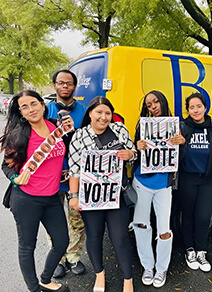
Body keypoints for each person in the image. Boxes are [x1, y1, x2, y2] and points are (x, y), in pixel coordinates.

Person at [0, 90, 70, 292]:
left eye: (34, 103)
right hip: (26, 198)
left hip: (52, 197)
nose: (31, 109)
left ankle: (45, 279)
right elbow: (6, 166)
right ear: (20, 112)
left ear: (43, 105)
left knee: (62, 241)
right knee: (27, 246)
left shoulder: (55, 127)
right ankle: (34, 289)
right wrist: (15, 178)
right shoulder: (19, 134)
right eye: (25, 107)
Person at [68, 96, 136, 292]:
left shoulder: (119, 130)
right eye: (99, 112)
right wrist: (74, 196)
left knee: (120, 237)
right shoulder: (79, 136)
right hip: (91, 197)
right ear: (90, 113)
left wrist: (129, 154)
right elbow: (74, 170)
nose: (103, 117)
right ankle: (99, 275)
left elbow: (133, 154)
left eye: (107, 113)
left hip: (116, 195)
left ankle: (128, 279)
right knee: (94, 235)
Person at [131, 90, 185, 288]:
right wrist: (138, 147)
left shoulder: (177, 126)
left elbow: (182, 158)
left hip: (164, 186)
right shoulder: (142, 126)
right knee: (141, 226)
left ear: (163, 102)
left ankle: (161, 269)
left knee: (164, 230)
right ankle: (148, 266)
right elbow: (135, 156)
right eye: (148, 104)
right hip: (142, 183)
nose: (153, 106)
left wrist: (183, 143)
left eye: (156, 102)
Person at [178, 92, 212, 273]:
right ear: (188, 110)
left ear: (205, 108)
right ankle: (189, 250)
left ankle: (201, 250)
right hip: (187, 179)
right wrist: (179, 144)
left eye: (199, 106)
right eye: (192, 107)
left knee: (204, 217)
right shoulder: (182, 129)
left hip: (208, 180)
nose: (196, 110)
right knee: (188, 216)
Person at [46, 69, 86, 278]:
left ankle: (74, 257)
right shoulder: (45, 110)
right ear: (54, 85)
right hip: (51, 175)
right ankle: (58, 258)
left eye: (69, 83)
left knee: (77, 218)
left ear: (74, 86)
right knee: (55, 220)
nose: (65, 87)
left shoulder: (85, 111)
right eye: (61, 83)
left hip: (77, 175)